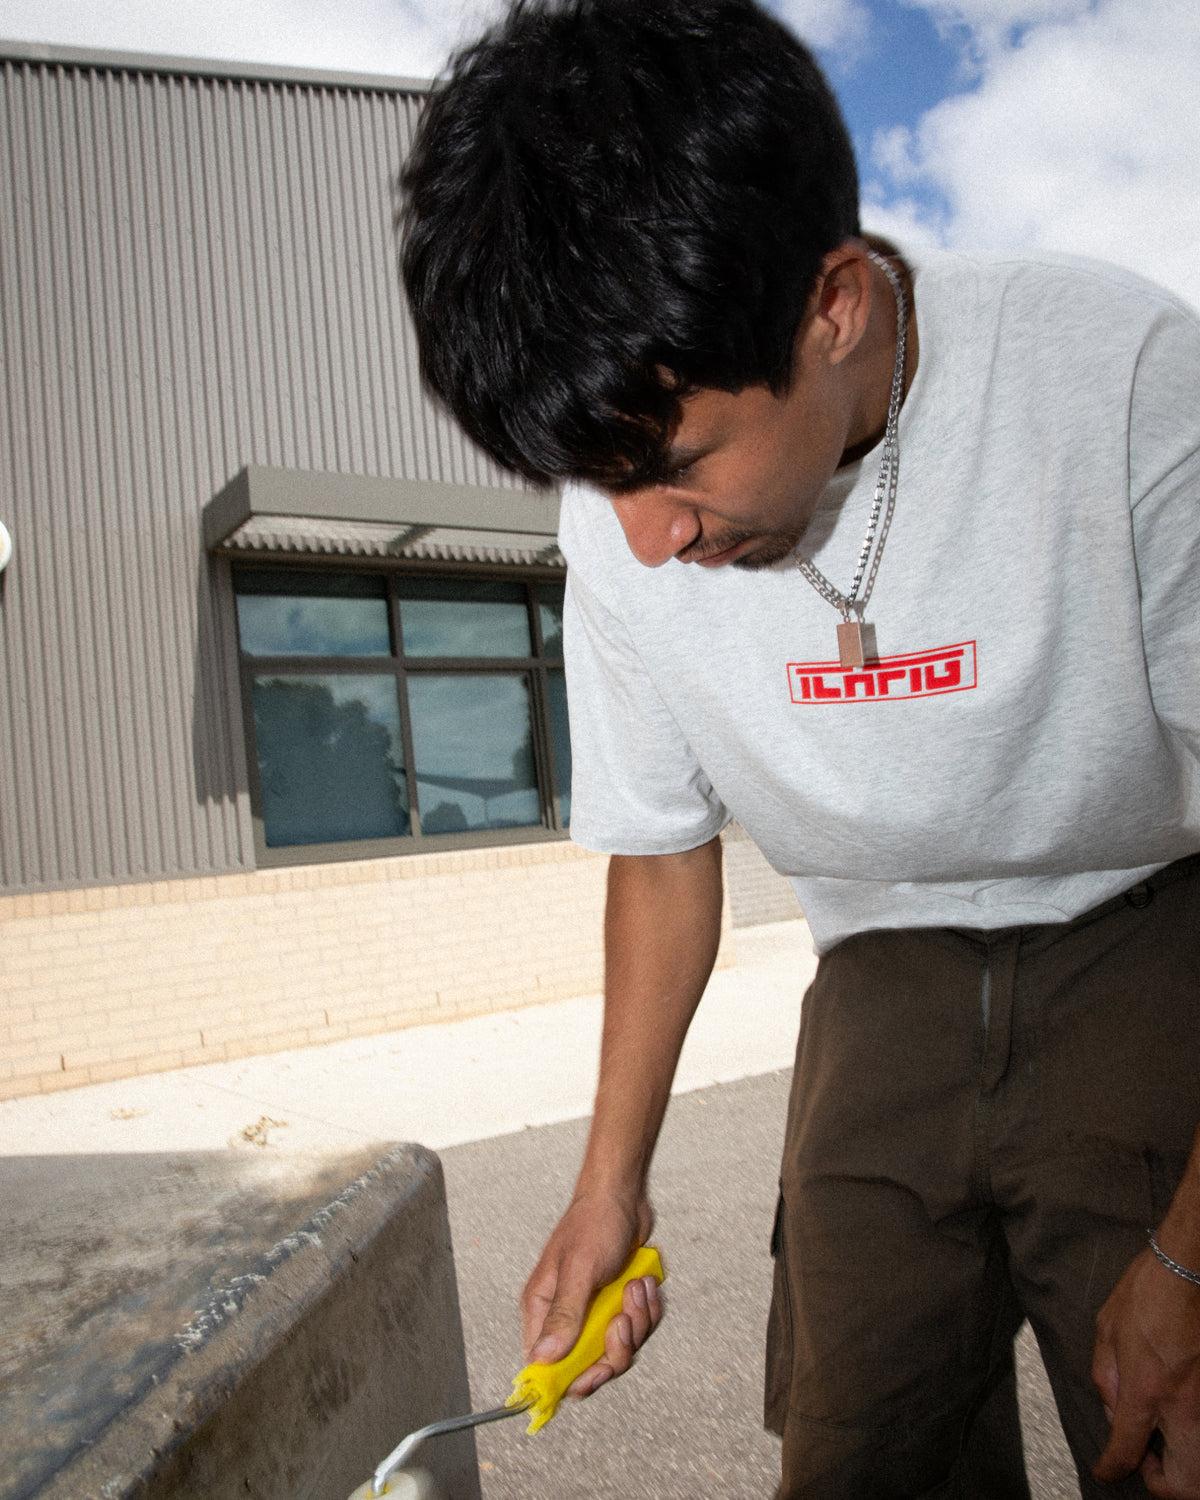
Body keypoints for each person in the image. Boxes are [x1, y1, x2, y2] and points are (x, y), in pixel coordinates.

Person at [398, 1, 1200, 1494]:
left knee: (1168, 1421)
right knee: (857, 1449)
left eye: (678, 466)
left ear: (831, 305)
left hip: (1146, 938)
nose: (649, 538)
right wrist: (604, 1188)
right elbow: (658, 851)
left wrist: (1188, 1261)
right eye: (602, 487)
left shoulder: (1127, 380)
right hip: (874, 978)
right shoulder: (619, 511)